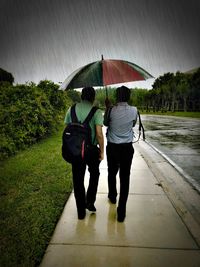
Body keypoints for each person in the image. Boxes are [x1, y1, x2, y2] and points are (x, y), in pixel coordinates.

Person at [64, 87, 104, 220]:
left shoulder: (71, 109)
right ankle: (90, 201)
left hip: (76, 150)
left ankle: (80, 212)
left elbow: (67, 129)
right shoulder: (96, 111)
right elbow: (99, 134)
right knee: (94, 174)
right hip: (91, 150)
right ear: (93, 98)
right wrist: (102, 152)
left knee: (78, 179)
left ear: (81, 96)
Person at [104, 86, 137, 222]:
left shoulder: (111, 110)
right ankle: (121, 210)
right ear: (128, 96)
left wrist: (107, 108)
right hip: (127, 148)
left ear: (116, 96)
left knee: (112, 172)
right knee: (125, 177)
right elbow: (133, 124)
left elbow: (106, 123)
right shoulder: (134, 110)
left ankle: (112, 196)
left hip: (112, 147)